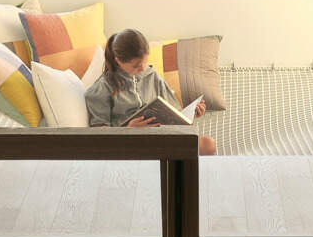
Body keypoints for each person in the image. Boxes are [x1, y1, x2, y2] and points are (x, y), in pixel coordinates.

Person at [85, 26, 216, 156]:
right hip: (128, 145)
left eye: (145, 62)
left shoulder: (152, 75)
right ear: (118, 61)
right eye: (136, 66)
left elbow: (174, 112)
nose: (142, 69)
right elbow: (98, 134)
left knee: (208, 145)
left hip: (160, 137)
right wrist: (128, 130)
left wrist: (191, 113)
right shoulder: (102, 88)